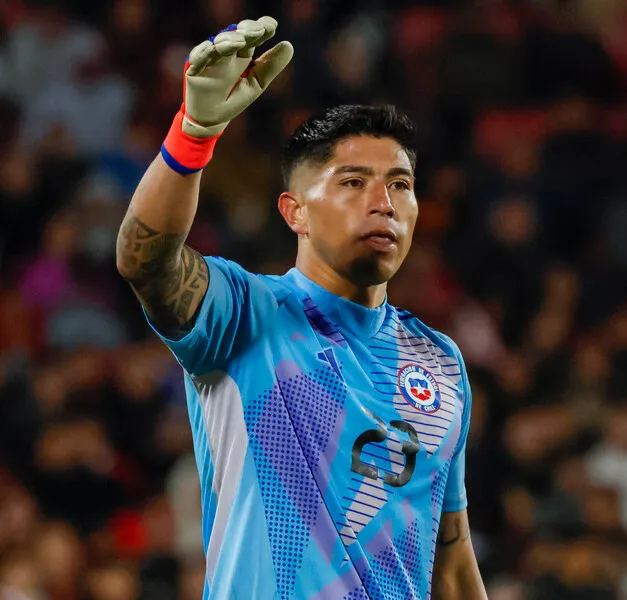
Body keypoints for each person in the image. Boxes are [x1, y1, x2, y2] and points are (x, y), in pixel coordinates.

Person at [114, 16, 487, 600]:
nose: (383, 202)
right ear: (295, 212)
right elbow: (146, 260)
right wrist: (193, 134)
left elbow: (453, 559)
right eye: (353, 182)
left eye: (400, 184)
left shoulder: (440, 362)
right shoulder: (246, 312)